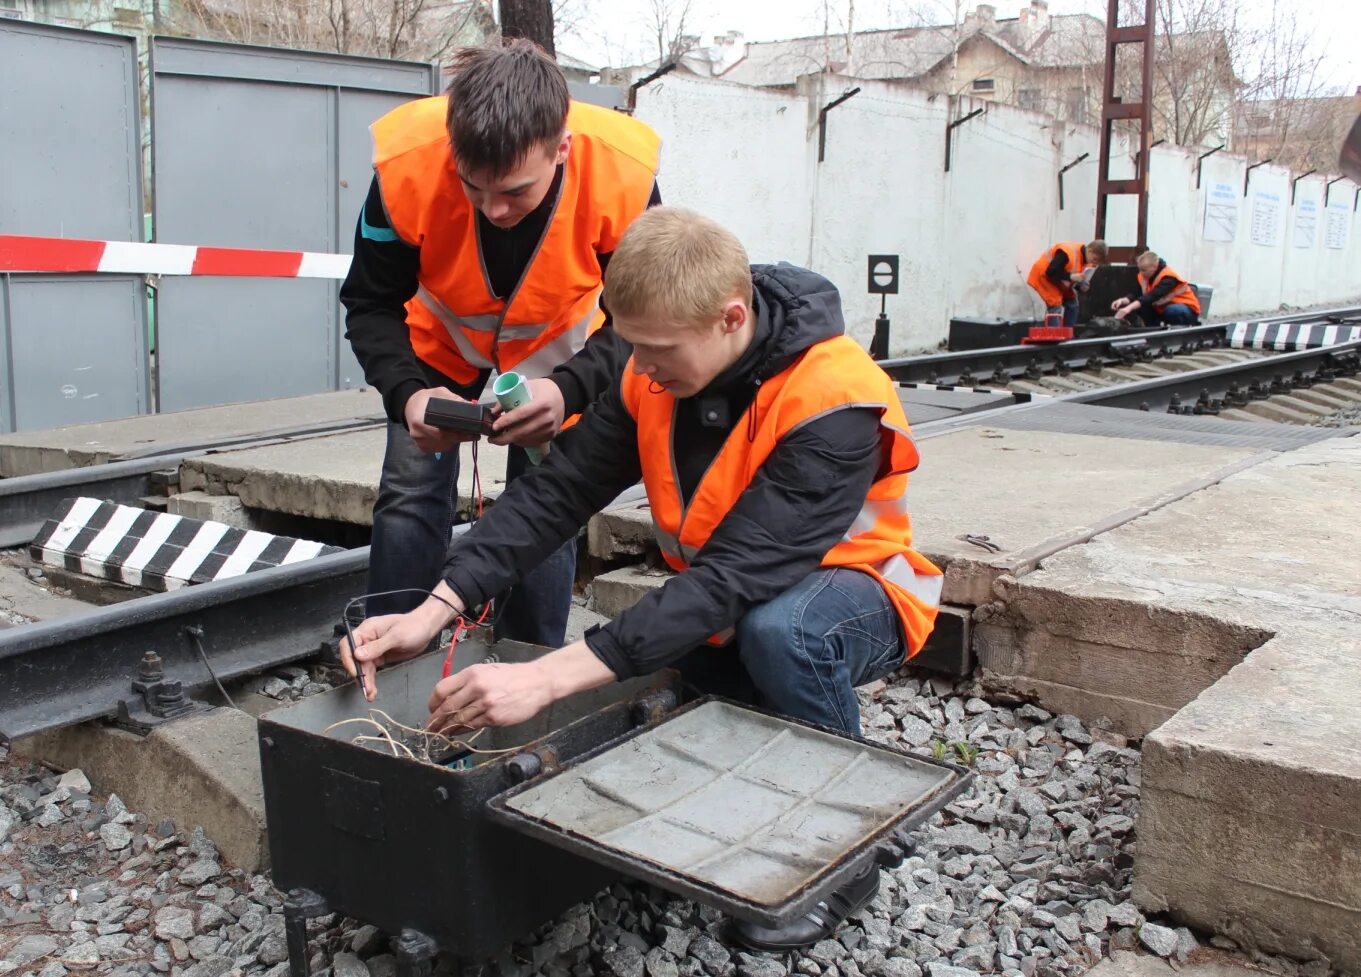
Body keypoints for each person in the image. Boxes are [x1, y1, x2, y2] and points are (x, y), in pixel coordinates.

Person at [341, 207, 944, 951]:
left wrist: (549, 676)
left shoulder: (833, 395)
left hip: (857, 593)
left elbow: (732, 578)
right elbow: (556, 494)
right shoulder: (652, 370)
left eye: (656, 350)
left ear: (729, 318)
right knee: (676, 667)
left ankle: (843, 853)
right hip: (729, 598)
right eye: (631, 345)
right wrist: (435, 607)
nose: (642, 368)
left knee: (779, 632)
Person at [340, 39, 662, 644]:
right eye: (472, 186)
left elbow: (640, 321)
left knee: (547, 503)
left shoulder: (623, 177)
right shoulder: (407, 167)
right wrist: (407, 394)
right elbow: (370, 302)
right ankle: (390, 652)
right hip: (433, 353)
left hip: (562, 360)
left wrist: (568, 393)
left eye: (515, 190)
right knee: (410, 493)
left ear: (561, 147)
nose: (493, 209)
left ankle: (523, 667)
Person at [1025, 239, 1108, 327]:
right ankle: (1054, 336)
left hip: (1059, 280)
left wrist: (1081, 286)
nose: (1093, 263)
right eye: (1094, 259)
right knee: (1055, 304)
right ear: (1090, 250)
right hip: (1044, 276)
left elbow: (1072, 278)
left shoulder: (1087, 262)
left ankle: (1067, 334)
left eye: (1097, 262)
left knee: (1073, 304)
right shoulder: (1067, 252)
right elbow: (1051, 271)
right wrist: (1071, 277)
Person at [1110, 250, 1201, 329]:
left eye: (1144, 270)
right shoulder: (1144, 276)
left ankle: (1180, 331)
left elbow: (1152, 296)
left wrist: (1128, 309)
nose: (1141, 273)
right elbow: (1136, 293)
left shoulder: (1168, 277)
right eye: (1140, 269)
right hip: (1162, 310)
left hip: (1186, 310)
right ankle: (1153, 329)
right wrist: (1123, 301)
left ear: (1154, 267)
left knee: (1172, 310)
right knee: (1142, 307)